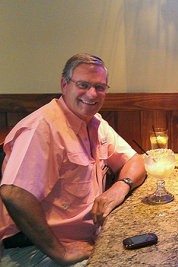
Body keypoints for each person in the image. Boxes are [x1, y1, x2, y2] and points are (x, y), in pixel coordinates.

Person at [0, 53, 147, 266]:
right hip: (35, 249)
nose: (92, 93)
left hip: (87, 239)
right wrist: (60, 252)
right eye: (83, 84)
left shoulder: (94, 122)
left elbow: (134, 161)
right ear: (64, 84)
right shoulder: (41, 128)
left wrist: (120, 187)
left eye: (100, 87)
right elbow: (14, 194)